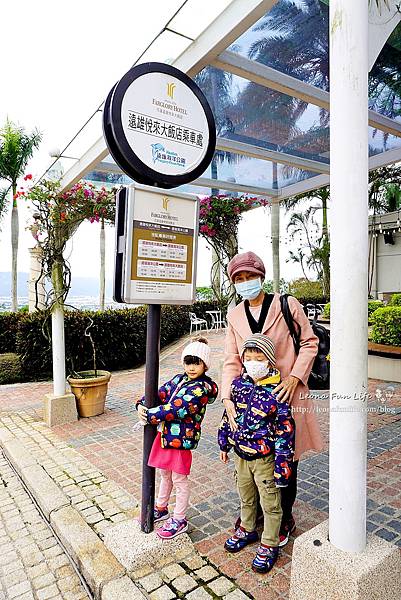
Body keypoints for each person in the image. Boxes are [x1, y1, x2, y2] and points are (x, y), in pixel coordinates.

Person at [222, 251, 323, 546]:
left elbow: (309, 342)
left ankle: (285, 516)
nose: (245, 282)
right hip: (249, 402)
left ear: (261, 277)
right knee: (251, 458)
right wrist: (228, 397)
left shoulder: (285, 304)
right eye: (239, 279)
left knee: (285, 458)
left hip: (285, 394)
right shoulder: (234, 315)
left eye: (249, 276)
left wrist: (294, 377)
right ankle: (255, 515)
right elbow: (231, 358)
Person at [218, 334, 295, 573]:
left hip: (265, 460)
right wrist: (224, 442)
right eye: (248, 357)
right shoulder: (238, 386)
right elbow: (229, 416)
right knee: (246, 496)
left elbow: (285, 430)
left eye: (258, 357)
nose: (252, 362)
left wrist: (283, 467)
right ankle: (247, 529)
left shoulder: (277, 390)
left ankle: (270, 542)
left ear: (270, 360)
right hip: (241, 456)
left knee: (270, 503)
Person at [136, 337, 218, 539]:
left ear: (205, 364)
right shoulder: (179, 379)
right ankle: (161, 508)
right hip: (165, 436)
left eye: (196, 362)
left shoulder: (202, 389)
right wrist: (141, 404)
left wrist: (150, 415)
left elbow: (178, 408)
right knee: (165, 475)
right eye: (188, 362)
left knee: (179, 480)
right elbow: (159, 394)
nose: (191, 367)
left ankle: (179, 518)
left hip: (181, 440)